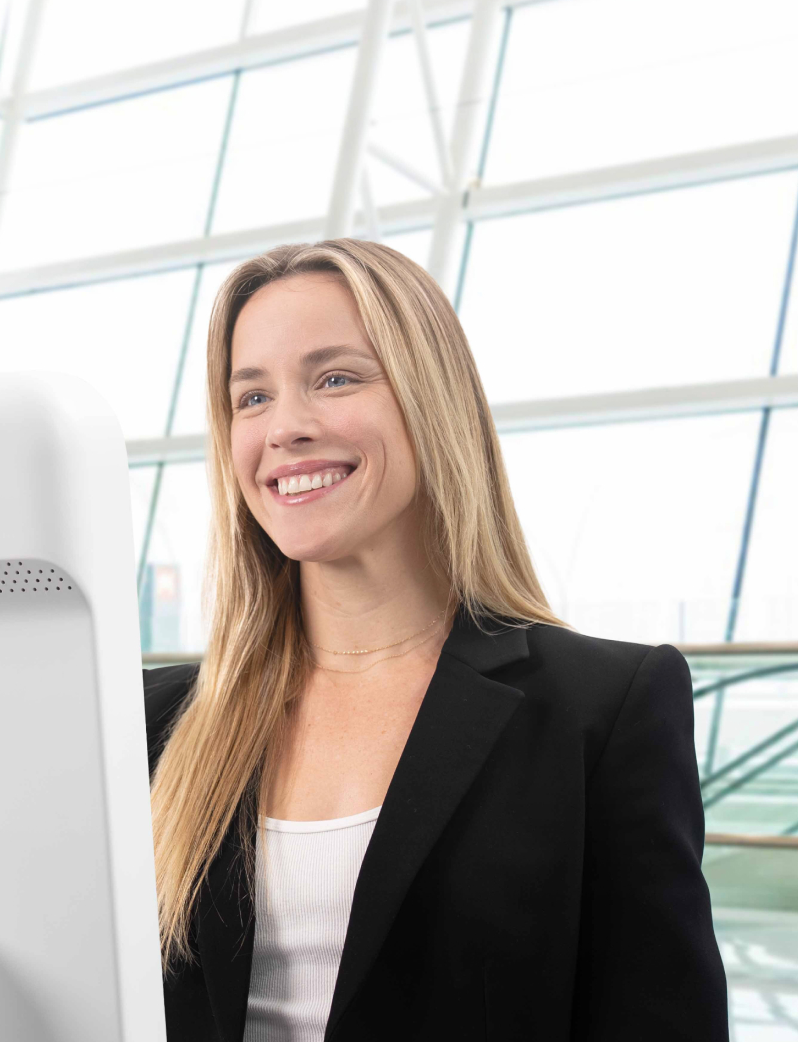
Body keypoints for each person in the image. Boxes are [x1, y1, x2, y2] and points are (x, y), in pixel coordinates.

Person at [143, 239, 727, 1041]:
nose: (285, 428)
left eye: (335, 378)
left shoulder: (601, 711)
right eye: (252, 398)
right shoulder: (160, 725)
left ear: (430, 399)